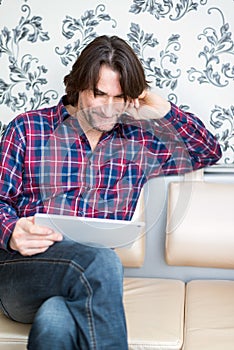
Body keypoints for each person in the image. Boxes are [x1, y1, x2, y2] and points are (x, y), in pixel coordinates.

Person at [0, 35, 221, 350]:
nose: (107, 109)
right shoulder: (27, 129)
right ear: (78, 86)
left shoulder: (138, 140)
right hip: (22, 273)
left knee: (54, 321)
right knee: (103, 262)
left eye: (119, 98)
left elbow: (207, 152)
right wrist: (10, 231)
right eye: (99, 94)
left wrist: (164, 110)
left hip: (88, 286)